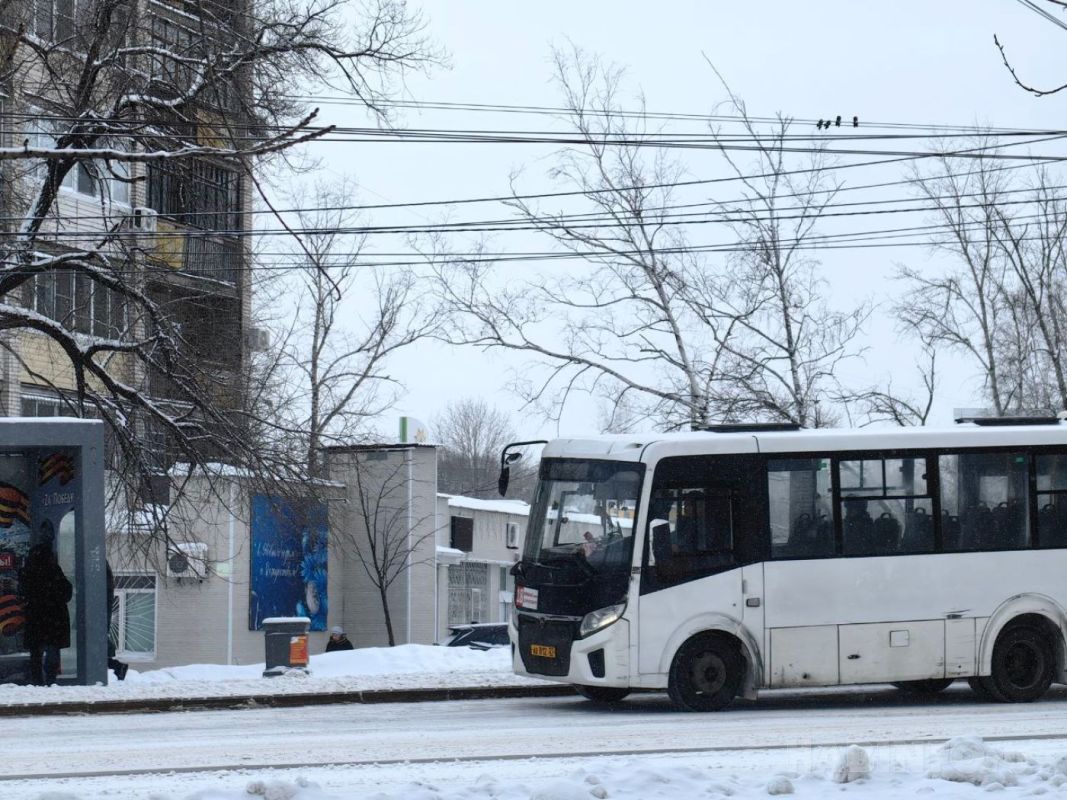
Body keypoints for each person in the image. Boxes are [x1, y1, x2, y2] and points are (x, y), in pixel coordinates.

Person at [19, 542, 72, 686]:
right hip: (54, 618)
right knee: (52, 650)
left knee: (36, 653)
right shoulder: (54, 571)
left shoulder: (26, 572)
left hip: (35, 618)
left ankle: (37, 682)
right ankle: (50, 681)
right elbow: (67, 593)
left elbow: (22, 593)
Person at [105, 563, 128, 681]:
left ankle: (117, 666)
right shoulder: (104, 571)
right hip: (99, 617)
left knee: (92, 649)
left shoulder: (97, 567)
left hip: (96, 617)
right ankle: (117, 666)